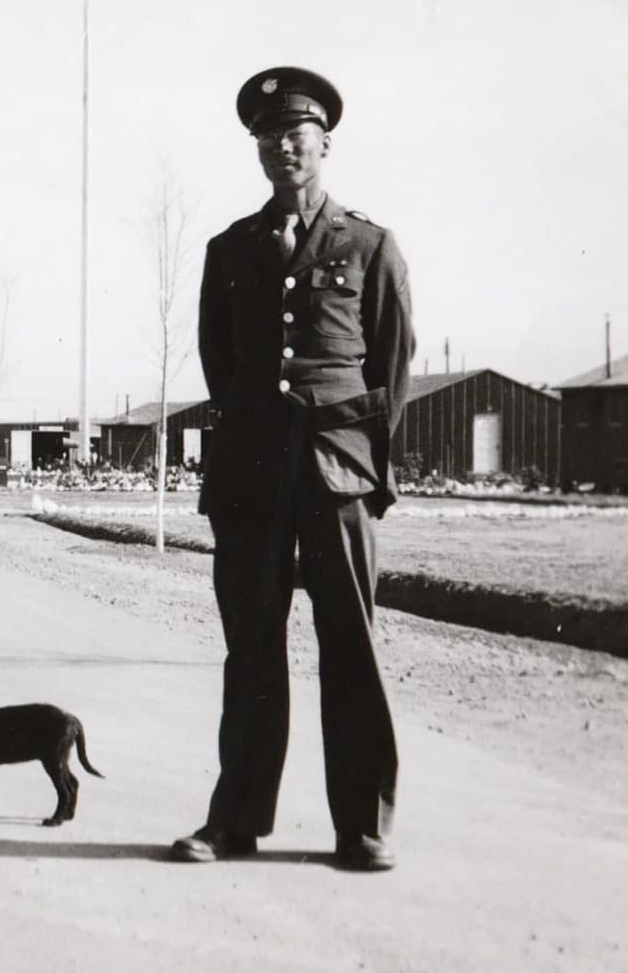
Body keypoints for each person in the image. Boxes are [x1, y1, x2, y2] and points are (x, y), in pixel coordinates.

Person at [171, 66, 415, 873]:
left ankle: (362, 827)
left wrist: (366, 464)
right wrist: (256, 428)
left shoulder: (370, 246)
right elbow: (221, 362)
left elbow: (392, 367)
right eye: (268, 138)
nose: (282, 148)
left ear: (324, 143)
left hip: (338, 470)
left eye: (295, 135)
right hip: (251, 471)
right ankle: (235, 820)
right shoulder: (230, 249)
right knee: (251, 647)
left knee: (350, 646)